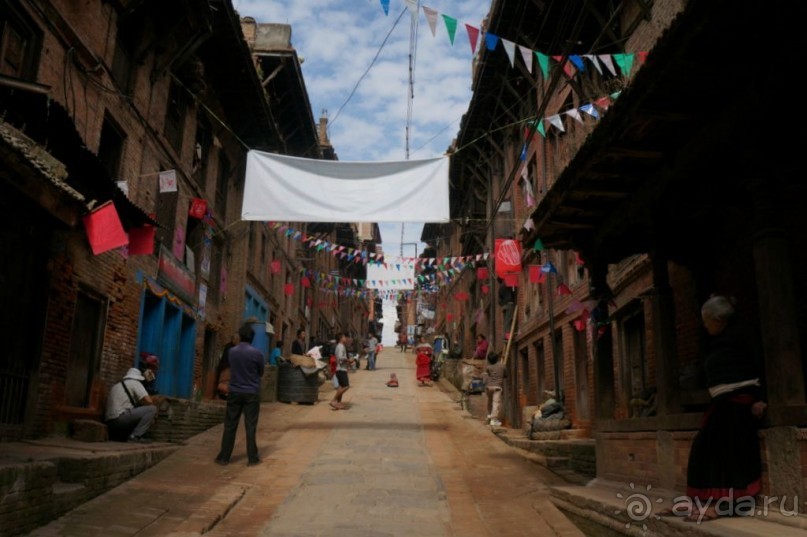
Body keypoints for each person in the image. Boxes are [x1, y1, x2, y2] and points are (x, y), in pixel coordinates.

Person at [658, 295, 766, 522]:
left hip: (741, 402)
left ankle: (730, 505)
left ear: (718, 319)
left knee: (731, 451)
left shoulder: (743, 334)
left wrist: (761, 398)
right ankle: (697, 500)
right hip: (720, 403)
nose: (705, 325)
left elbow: (761, 363)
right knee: (701, 448)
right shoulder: (717, 340)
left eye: (707, 320)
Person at [215, 323, 265, 466]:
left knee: (230, 424)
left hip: (235, 391)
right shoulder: (257, 354)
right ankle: (252, 458)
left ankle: (224, 457)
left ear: (240, 336)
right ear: (252, 338)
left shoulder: (232, 352)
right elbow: (260, 372)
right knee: (250, 426)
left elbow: (231, 368)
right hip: (251, 393)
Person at [105, 367, 158, 443]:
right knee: (152, 409)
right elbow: (149, 401)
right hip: (120, 419)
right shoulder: (135, 383)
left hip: (110, 423)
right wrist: (152, 417)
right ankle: (135, 436)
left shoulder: (116, 385)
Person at [483, 352, 506, 427]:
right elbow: (506, 375)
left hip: (489, 386)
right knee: (495, 402)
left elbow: (489, 374)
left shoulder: (488, 367)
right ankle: (494, 419)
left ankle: (489, 415)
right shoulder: (502, 366)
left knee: (489, 401)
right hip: (497, 387)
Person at [330, 333, 350, 410]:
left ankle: (339, 403)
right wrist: (348, 360)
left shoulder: (339, 346)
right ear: (341, 338)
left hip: (339, 369)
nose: (346, 338)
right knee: (346, 386)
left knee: (341, 387)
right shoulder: (341, 346)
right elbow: (341, 358)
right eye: (345, 337)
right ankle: (334, 400)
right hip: (341, 369)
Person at [215, 333, 238, 400]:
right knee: (224, 382)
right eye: (235, 339)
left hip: (227, 367)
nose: (236, 341)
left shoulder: (231, 347)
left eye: (236, 339)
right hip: (226, 367)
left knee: (226, 382)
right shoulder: (230, 347)